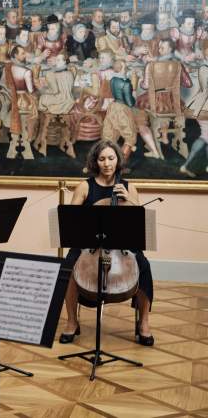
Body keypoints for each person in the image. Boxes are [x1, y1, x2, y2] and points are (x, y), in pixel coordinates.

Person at [60, 140, 155, 347]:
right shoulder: (85, 186)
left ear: (118, 160)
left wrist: (128, 200)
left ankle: (144, 323)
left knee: (144, 266)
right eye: (101, 159)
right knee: (68, 266)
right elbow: (71, 220)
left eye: (111, 158)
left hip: (122, 244)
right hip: (89, 243)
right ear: (95, 162)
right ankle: (72, 321)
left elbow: (138, 222)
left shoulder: (129, 187)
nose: (106, 163)